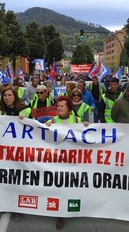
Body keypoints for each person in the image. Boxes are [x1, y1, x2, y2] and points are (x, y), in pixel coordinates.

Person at [45, 95, 87, 230]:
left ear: (69, 108)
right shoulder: (52, 121)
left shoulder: (76, 120)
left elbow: (90, 133)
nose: (59, 108)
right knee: (59, 188)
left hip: (73, 161)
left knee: (71, 187)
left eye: (62, 106)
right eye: (58, 106)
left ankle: (73, 208)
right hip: (57, 161)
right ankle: (60, 215)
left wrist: (87, 126)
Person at [0, 85, 31, 222]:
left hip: (20, 152)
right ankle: (5, 203)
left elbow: (35, 129)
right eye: (5, 96)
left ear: (15, 96)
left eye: (10, 95)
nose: (7, 98)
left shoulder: (25, 110)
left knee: (18, 179)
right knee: (4, 179)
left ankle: (17, 208)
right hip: (4, 152)